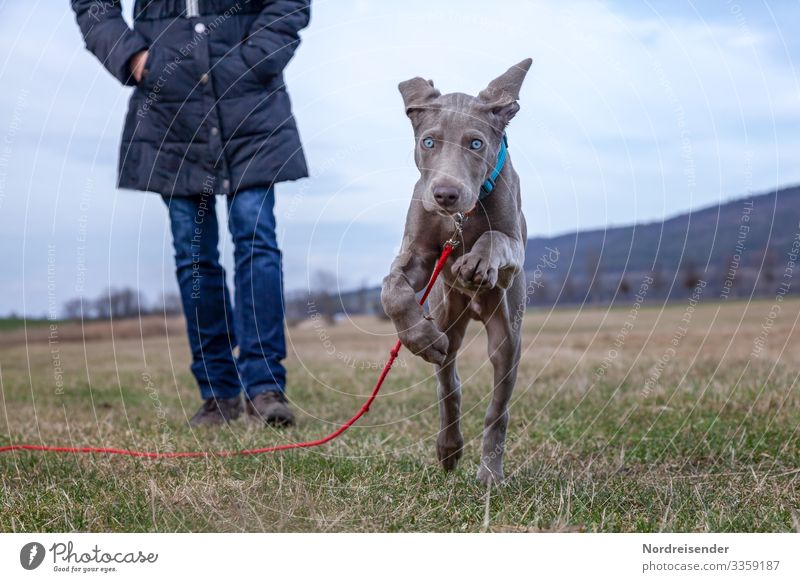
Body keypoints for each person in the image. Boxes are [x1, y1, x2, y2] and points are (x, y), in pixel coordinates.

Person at [71, 0, 311, 427]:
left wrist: (257, 57)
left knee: (256, 242)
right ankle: (218, 393)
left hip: (251, 100)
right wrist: (134, 56)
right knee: (194, 255)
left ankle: (265, 388)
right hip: (170, 108)